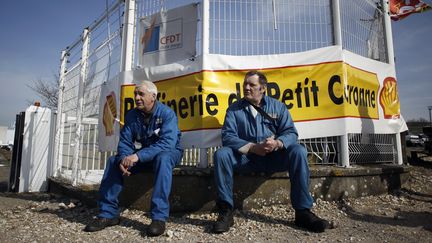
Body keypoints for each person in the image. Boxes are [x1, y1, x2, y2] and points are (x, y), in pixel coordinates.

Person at [212, 70, 329, 233]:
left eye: (251, 84)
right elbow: (228, 136)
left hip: (274, 158)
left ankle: (303, 212)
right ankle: (226, 211)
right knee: (221, 154)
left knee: (299, 151)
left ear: (262, 88)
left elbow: (291, 132)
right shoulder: (234, 110)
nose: (246, 87)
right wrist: (253, 147)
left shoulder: (278, 107)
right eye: (245, 84)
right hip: (247, 159)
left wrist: (278, 143)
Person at [84, 81, 183, 237]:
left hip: (169, 153)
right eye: (135, 94)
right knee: (113, 161)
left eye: (141, 94)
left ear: (153, 96)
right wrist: (124, 158)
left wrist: (137, 156)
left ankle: (158, 218)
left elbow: (167, 144)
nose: (137, 97)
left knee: (163, 159)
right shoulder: (132, 115)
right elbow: (125, 142)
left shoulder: (167, 113)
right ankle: (108, 214)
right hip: (144, 155)